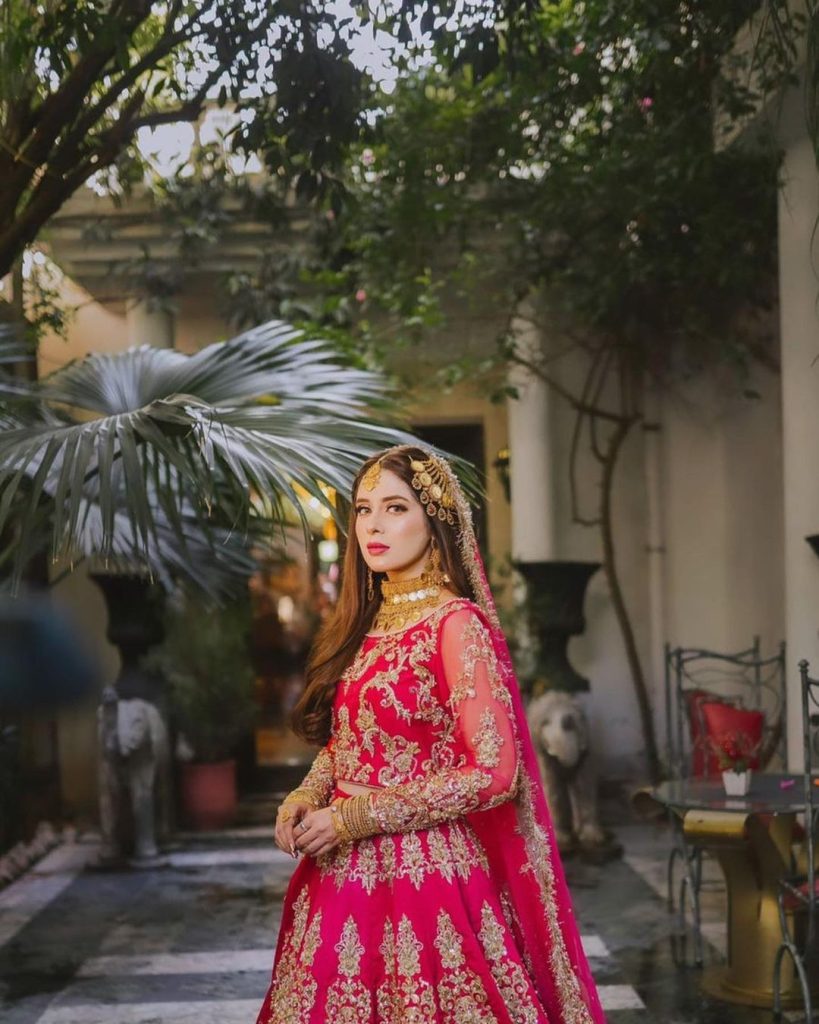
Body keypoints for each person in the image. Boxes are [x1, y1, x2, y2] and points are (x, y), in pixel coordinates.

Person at [256, 445, 605, 1023]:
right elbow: (347, 743)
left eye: (395, 508)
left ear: (435, 520)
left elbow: (494, 773)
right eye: (364, 510)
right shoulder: (365, 624)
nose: (373, 524)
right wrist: (305, 796)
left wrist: (353, 819)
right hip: (341, 877)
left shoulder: (455, 625)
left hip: (428, 874)